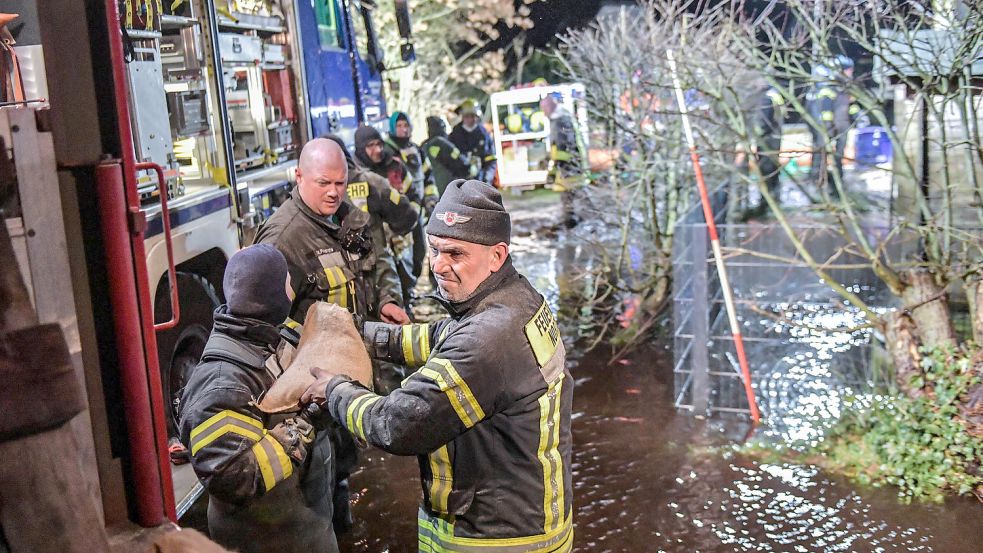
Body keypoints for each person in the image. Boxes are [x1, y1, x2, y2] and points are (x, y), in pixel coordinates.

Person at [301, 179, 574, 552]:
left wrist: (335, 389)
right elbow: (438, 337)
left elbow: (396, 424)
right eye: (434, 250)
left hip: (495, 539)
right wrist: (357, 333)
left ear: (496, 255)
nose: (439, 266)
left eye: (455, 254)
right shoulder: (515, 298)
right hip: (525, 517)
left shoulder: (487, 340)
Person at [253, 138, 409, 533]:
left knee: (343, 465)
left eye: (340, 183)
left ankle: (343, 526)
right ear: (299, 177)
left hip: (349, 373)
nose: (334, 192)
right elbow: (261, 324)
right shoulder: (282, 239)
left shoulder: (349, 219)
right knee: (318, 482)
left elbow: (380, 262)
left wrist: (388, 299)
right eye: (324, 183)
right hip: (311, 388)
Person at [179, 244, 338, 553]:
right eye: (288, 284)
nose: (293, 292)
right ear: (272, 295)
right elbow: (234, 477)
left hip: (307, 531)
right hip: (271, 542)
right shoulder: (223, 384)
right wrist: (304, 425)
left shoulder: (274, 335)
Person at [322, 133, 419, 316]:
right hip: (380, 276)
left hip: (338, 288)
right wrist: (393, 234)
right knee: (395, 334)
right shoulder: (372, 182)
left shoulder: (311, 193)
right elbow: (407, 215)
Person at [354, 124, 432, 303]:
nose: (377, 150)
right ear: (360, 149)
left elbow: (413, 194)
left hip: (401, 236)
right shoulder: (356, 176)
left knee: (409, 269)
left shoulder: (395, 166)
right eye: (371, 146)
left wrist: (403, 225)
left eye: (379, 144)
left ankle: (408, 301)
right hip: (374, 243)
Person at [385, 112, 439, 291]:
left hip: (418, 211)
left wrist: (431, 199)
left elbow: (428, 177)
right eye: (399, 126)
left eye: (406, 125)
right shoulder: (388, 152)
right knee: (402, 255)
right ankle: (405, 293)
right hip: (399, 215)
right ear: (393, 128)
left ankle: (412, 287)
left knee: (420, 252)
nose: (403, 129)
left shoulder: (417, 150)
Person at [540, 93, 586, 227]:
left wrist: (554, 171)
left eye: (544, 109)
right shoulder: (562, 119)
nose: (544, 113)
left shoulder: (561, 121)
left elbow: (562, 149)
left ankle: (572, 225)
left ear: (550, 106)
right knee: (574, 198)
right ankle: (576, 223)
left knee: (570, 199)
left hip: (569, 168)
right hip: (571, 166)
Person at [751, 84, 786, 213]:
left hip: (767, 140)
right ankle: (775, 197)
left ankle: (765, 201)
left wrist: (757, 134)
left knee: (766, 170)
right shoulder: (776, 95)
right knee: (774, 168)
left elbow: (763, 121)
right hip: (776, 137)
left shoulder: (766, 98)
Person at [449, 99, 497, 183]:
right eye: (468, 116)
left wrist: (487, 178)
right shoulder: (455, 134)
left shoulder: (483, 134)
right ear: (463, 116)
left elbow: (491, 159)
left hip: (480, 180)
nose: (471, 119)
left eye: (474, 116)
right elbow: (449, 159)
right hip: (460, 181)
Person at [421, 115, 471, 197]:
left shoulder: (424, 146)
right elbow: (462, 162)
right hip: (450, 191)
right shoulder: (441, 143)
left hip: (433, 193)